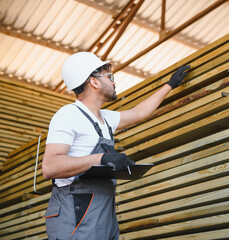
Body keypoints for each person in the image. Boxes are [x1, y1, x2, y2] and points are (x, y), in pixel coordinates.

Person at [42, 52, 190, 240]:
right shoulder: (68, 115)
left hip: (104, 209)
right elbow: (50, 167)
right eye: (108, 77)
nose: (113, 82)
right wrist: (101, 158)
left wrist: (169, 85)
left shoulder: (106, 118)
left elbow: (139, 113)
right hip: (76, 208)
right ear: (94, 82)